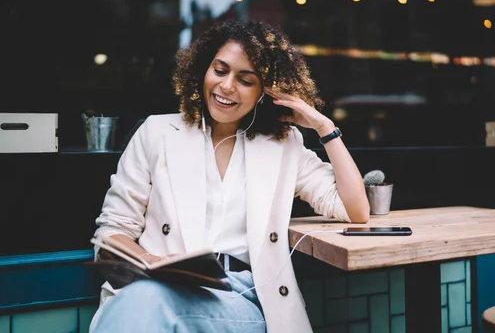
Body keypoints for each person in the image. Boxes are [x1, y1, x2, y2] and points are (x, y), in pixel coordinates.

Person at [89, 20, 370, 332]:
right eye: (220, 70)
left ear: (265, 92)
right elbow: (113, 229)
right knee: (147, 299)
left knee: (145, 304)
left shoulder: (282, 145)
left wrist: (324, 128)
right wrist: (149, 261)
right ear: (202, 70)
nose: (226, 86)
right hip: (160, 287)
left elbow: (354, 209)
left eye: (245, 80)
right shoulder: (157, 133)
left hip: (241, 297)